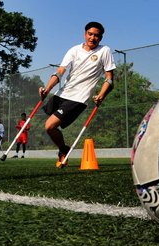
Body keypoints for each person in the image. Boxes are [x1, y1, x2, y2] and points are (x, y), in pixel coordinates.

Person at [39, 21, 115, 167]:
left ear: (101, 38)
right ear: (85, 34)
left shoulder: (104, 51)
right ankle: (63, 149)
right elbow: (60, 71)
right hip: (62, 93)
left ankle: (63, 150)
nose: (93, 38)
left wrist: (101, 95)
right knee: (51, 128)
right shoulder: (74, 50)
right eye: (90, 34)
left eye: (97, 36)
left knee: (49, 125)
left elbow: (109, 79)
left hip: (79, 98)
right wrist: (47, 89)